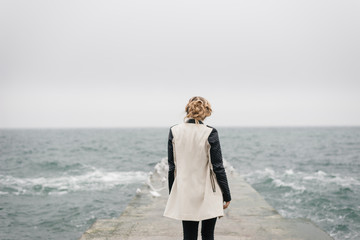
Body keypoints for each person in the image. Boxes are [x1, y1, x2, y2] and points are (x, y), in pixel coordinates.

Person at [163, 96, 231, 240]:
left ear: (188, 109)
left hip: (185, 190)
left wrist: (172, 193)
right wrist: (226, 194)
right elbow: (218, 167)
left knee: (189, 236)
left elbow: (172, 167)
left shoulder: (174, 131)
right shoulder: (210, 132)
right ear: (206, 112)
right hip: (209, 191)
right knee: (207, 235)